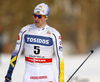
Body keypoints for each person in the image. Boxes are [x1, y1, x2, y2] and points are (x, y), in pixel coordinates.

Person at [5, 3, 64, 82]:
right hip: (29, 76)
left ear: (46, 17)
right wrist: (9, 75)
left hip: (47, 76)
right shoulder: (25, 30)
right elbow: (16, 53)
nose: (36, 18)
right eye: (34, 15)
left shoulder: (54, 34)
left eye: (39, 16)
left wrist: (61, 78)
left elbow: (59, 57)